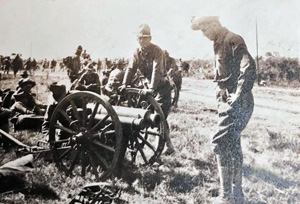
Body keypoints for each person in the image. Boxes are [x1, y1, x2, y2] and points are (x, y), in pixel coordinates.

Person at [191, 16, 256, 203]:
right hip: (228, 103)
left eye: (204, 30)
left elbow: (248, 66)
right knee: (232, 145)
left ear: (213, 24)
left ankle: (226, 196)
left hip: (238, 103)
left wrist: (238, 92)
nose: (203, 35)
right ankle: (236, 195)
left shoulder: (233, 40)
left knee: (219, 143)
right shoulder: (219, 43)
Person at [120, 24, 175, 154]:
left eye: (144, 38)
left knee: (159, 117)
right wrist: (124, 84)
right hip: (148, 88)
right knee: (151, 117)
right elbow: (130, 69)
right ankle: (169, 146)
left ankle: (159, 151)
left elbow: (157, 70)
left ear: (150, 38)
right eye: (139, 38)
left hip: (162, 87)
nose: (141, 41)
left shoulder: (157, 51)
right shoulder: (136, 52)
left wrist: (151, 88)